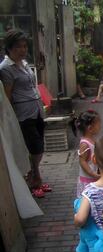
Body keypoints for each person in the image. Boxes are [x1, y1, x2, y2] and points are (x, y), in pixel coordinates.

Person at [0, 29, 51, 198]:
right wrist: (9, 118)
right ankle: (33, 179)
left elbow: (32, 87)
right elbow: (7, 96)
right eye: (18, 47)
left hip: (36, 110)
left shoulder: (24, 64)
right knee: (33, 147)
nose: (23, 50)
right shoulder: (6, 68)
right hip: (23, 114)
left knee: (40, 146)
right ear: (9, 48)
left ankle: (35, 175)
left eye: (24, 46)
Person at [71, 110, 101, 197]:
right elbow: (82, 161)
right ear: (90, 128)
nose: (100, 126)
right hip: (88, 181)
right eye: (98, 124)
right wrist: (92, 173)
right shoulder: (84, 144)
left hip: (94, 178)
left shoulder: (93, 139)